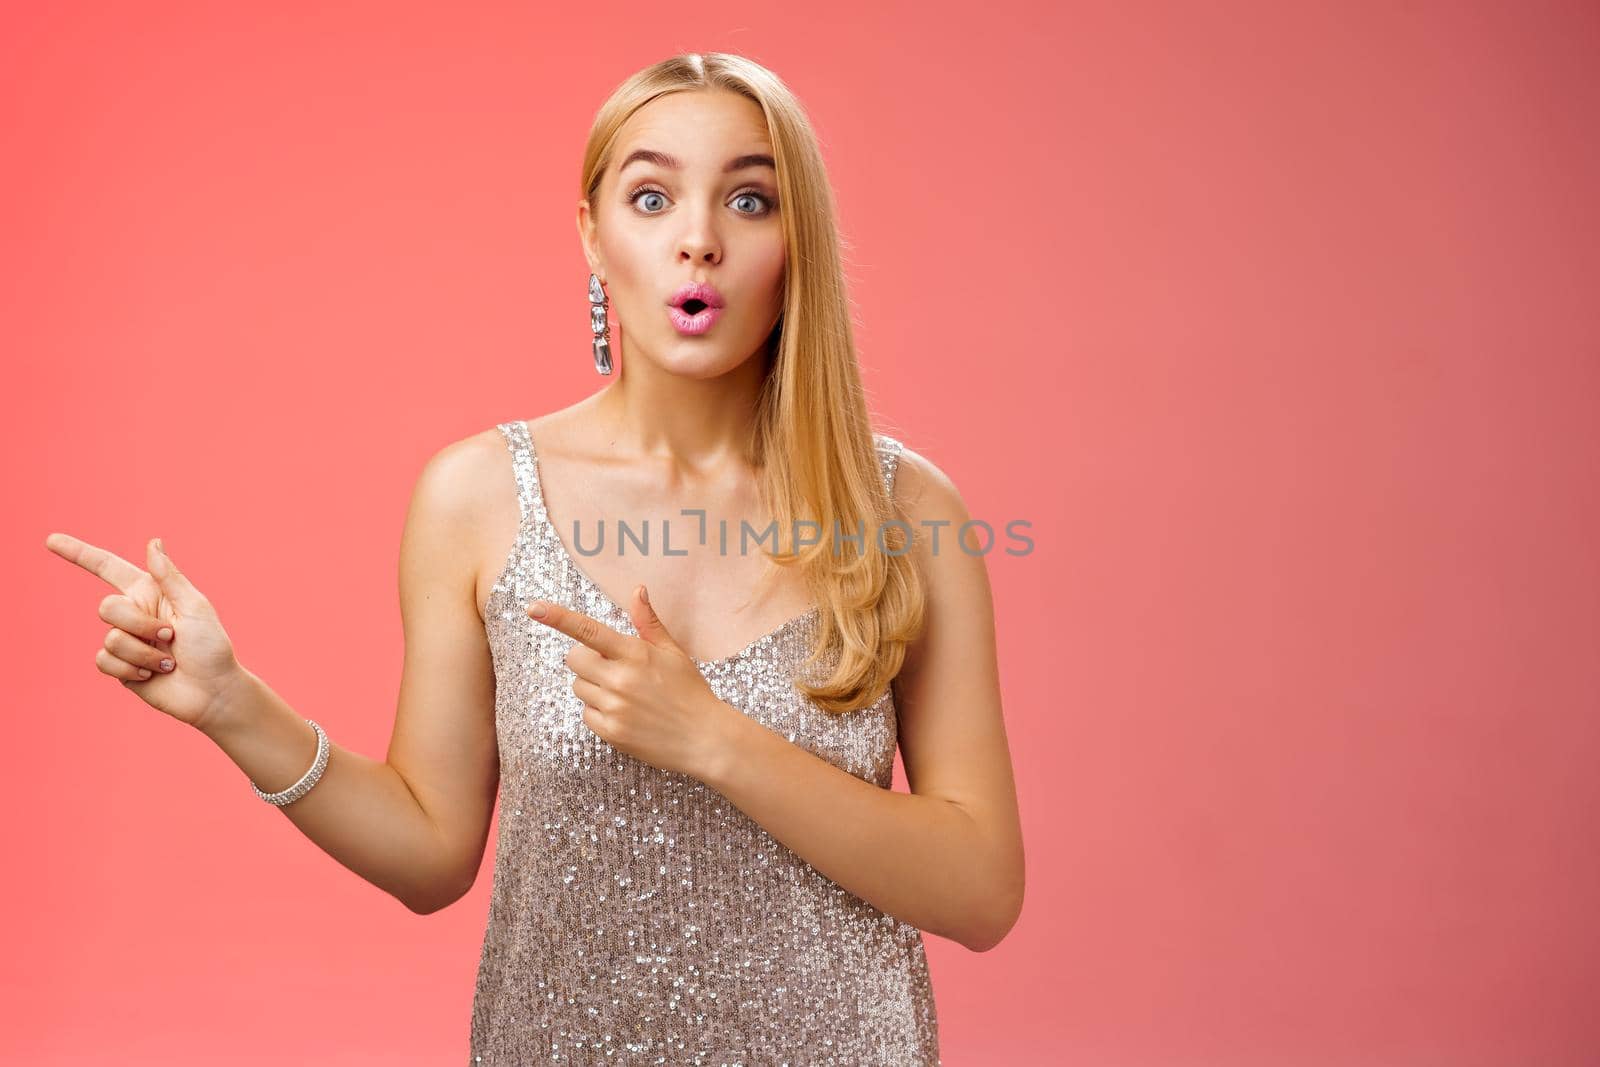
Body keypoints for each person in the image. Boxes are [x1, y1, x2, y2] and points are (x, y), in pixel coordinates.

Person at [45, 51, 1024, 1065]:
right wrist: (232, 703)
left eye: (748, 199)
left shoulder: (903, 507)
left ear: (798, 240)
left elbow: (982, 889)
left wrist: (713, 740)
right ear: (593, 238)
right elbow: (429, 852)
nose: (698, 241)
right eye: (651, 197)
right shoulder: (476, 496)